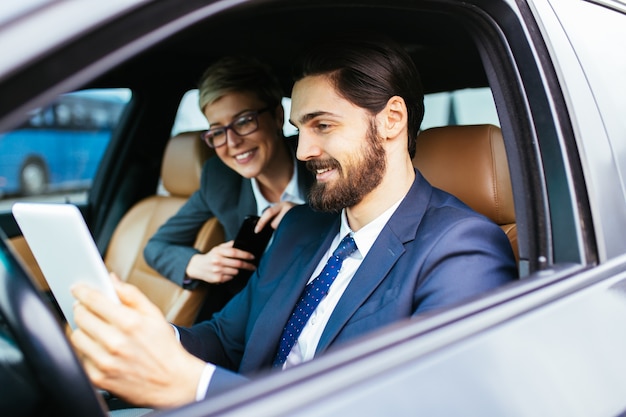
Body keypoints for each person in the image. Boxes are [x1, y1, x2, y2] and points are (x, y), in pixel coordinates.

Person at [70, 34, 517, 409]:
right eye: (299, 128)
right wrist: (143, 337)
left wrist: (194, 386)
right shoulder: (300, 226)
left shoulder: (462, 248)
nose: (302, 151)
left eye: (322, 125)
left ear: (391, 121)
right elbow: (227, 340)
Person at [143, 56, 314, 303]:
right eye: (218, 131)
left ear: (277, 117)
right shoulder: (219, 180)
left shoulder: (320, 160)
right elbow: (156, 246)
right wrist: (197, 263)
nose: (232, 143)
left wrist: (306, 219)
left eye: (244, 121)